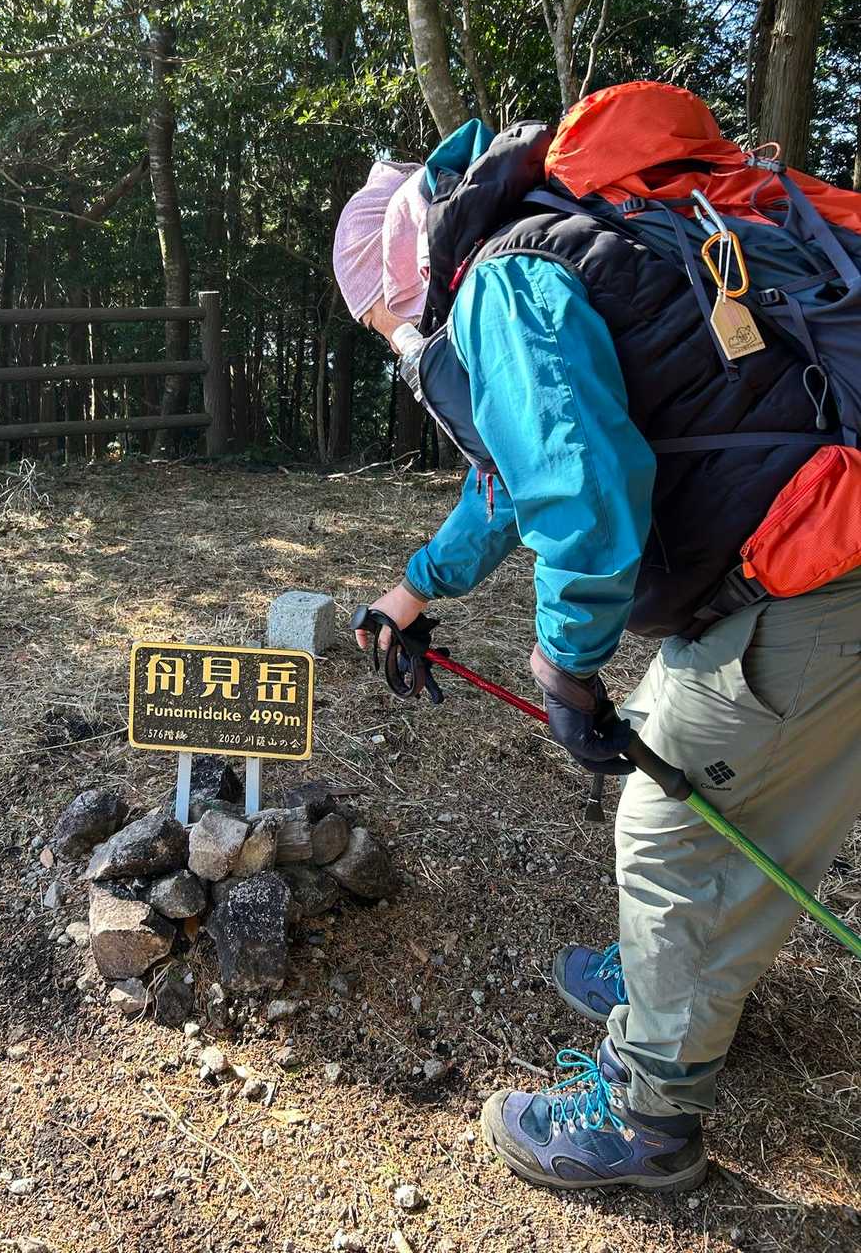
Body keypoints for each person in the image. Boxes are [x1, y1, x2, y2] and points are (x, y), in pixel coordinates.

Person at [333, 83, 861, 1194]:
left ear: (404, 270)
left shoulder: (501, 281)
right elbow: (514, 478)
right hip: (817, 551)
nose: (399, 341)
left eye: (383, 319)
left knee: (673, 842)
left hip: (806, 579)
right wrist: (412, 593)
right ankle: (671, 983)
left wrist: (565, 665)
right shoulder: (575, 232)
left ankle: (648, 1119)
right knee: (708, 772)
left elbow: (581, 487)